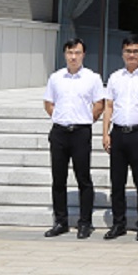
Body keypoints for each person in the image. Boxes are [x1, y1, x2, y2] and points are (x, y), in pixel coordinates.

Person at [42, 39, 105, 239]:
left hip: (80, 132)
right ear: (65, 54)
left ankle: (85, 222)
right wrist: (60, 118)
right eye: (70, 53)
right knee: (58, 179)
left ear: (83, 54)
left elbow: (99, 104)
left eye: (77, 52)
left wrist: (85, 119)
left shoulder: (92, 78)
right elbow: (48, 103)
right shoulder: (56, 78)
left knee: (83, 178)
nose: (73, 57)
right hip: (59, 132)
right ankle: (60, 221)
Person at [102, 35, 138, 241]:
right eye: (128, 51)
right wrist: (105, 133)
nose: (132, 55)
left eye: (136, 51)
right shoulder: (115, 77)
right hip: (118, 134)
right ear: (122, 53)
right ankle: (119, 223)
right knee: (117, 182)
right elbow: (109, 106)